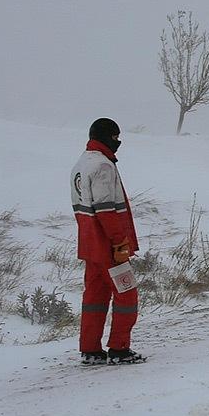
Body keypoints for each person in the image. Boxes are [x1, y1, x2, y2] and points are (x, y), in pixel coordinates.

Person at [70, 118, 145, 365]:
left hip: (90, 245)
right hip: (109, 247)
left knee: (94, 297)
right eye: (115, 137)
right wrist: (119, 242)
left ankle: (90, 349)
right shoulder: (103, 166)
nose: (118, 142)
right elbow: (105, 210)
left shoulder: (81, 163)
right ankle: (119, 348)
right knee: (127, 294)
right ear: (106, 136)